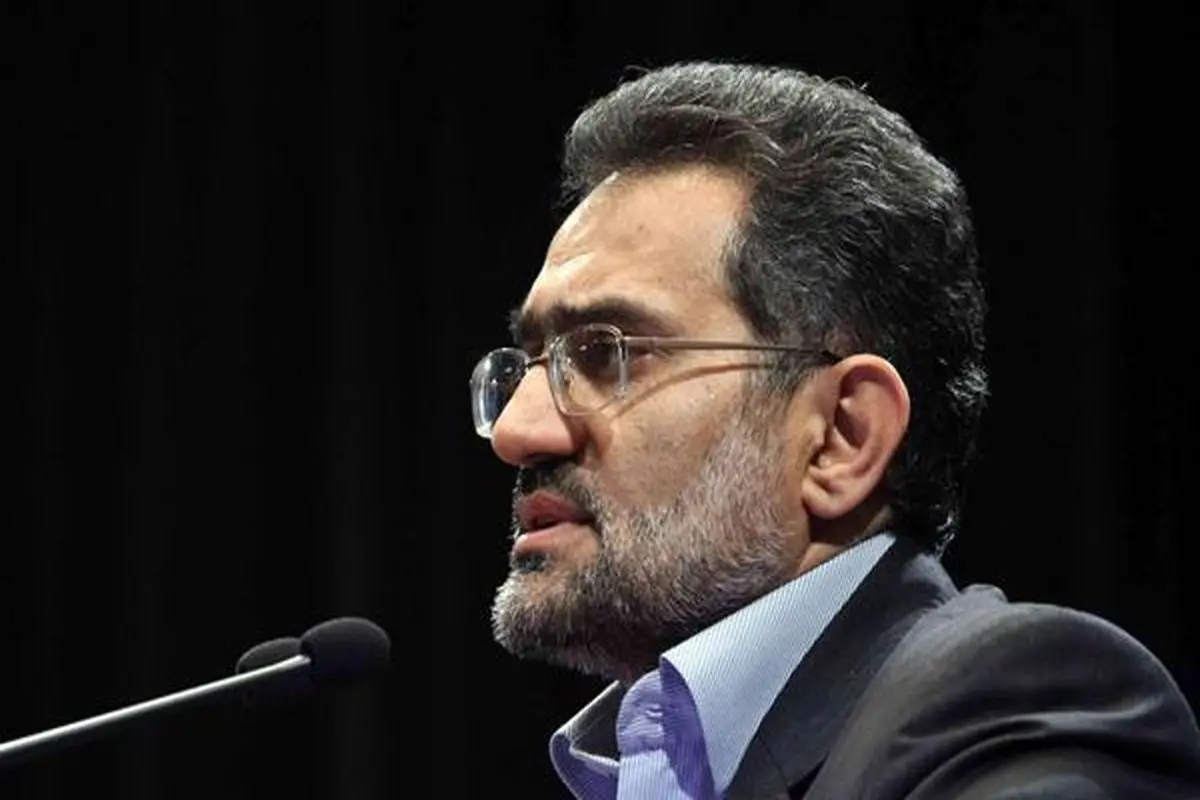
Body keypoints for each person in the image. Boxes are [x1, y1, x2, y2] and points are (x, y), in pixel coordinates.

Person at [468, 61, 1200, 798]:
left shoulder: (1013, 707)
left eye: (605, 353)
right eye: (528, 362)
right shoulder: (636, 759)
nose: (518, 431)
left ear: (841, 438)